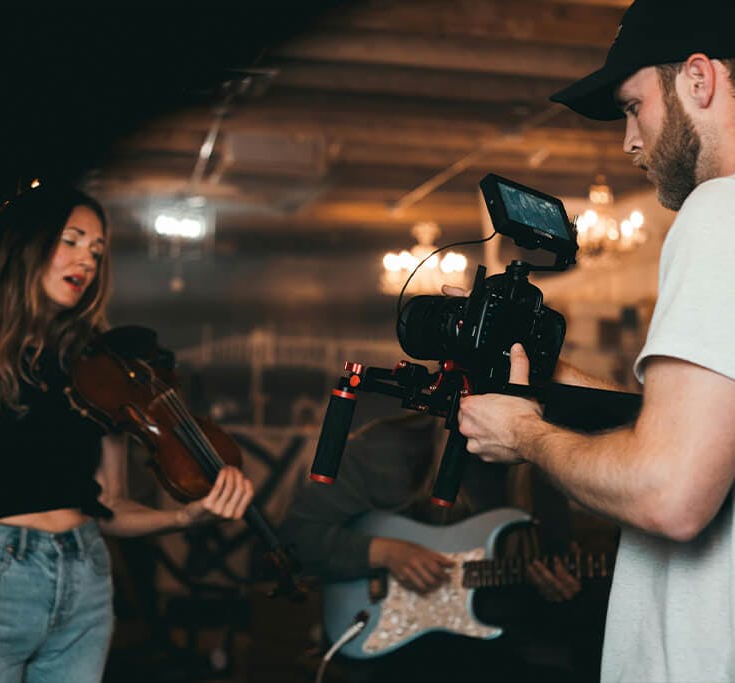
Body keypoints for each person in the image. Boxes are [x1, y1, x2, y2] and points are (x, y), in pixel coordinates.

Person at [455, 1, 735, 681]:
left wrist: (525, 433)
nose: (628, 141)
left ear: (698, 80)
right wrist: (562, 387)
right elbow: (707, 436)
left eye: (633, 106)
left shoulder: (718, 212)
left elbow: (671, 491)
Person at [0, 184, 255, 683]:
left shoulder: (94, 368)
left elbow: (112, 506)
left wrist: (188, 515)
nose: (87, 261)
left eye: (97, 251)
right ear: (22, 244)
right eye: (72, 240)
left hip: (87, 577)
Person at [281, 412, 613, 682]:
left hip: (506, 649)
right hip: (399, 656)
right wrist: (385, 552)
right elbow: (296, 539)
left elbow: (554, 565)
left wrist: (559, 590)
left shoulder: (545, 462)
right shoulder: (383, 447)